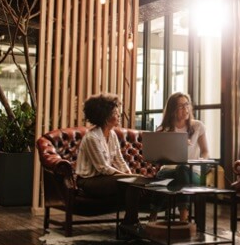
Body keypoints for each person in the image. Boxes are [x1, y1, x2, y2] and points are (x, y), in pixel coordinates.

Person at [75, 93, 143, 224]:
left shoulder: (112, 135)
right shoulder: (92, 137)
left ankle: (130, 222)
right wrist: (127, 177)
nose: (119, 116)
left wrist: (130, 175)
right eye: (116, 113)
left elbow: (119, 160)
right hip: (88, 181)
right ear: (106, 117)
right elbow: (103, 168)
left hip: (104, 179)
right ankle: (131, 223)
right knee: (132, 182)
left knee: (134, 182)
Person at [150, 92, 210, 222]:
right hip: (169, 170)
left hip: (192, 171)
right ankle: (182, 219)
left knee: (182, 169)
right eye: (181, 106)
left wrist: (202, 160)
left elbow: (205, 151)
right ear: (172, 110)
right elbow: (158, 157)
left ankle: (172, 217)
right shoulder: (163, 129)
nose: (186, 109)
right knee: (170, 176)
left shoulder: (197, 126)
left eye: (187, 105)